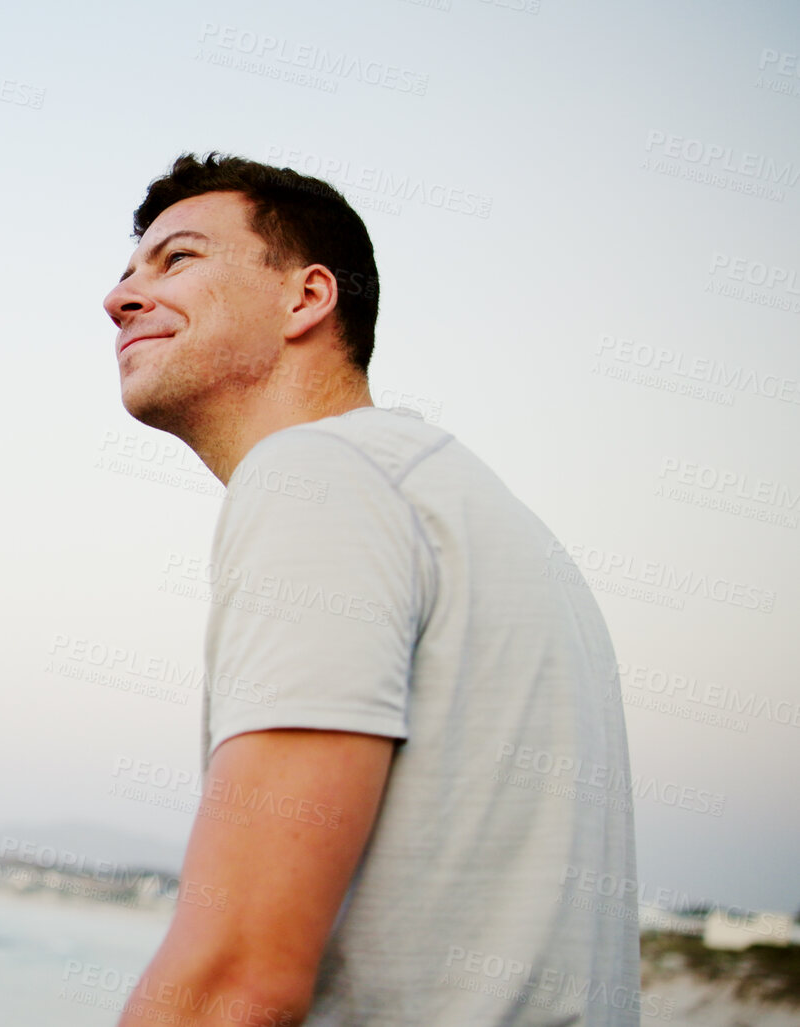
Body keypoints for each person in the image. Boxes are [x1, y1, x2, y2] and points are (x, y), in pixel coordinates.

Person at [102, 152, 641, 1026]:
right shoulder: (478, 516)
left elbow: (235, 978)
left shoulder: (317, 475)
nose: (118, 297)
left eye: (178, 259)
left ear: (307, 298)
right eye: (128, 271)